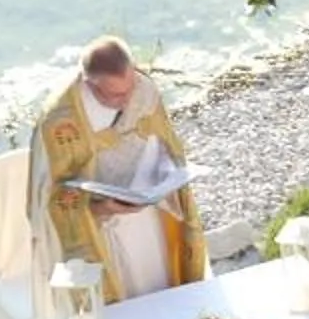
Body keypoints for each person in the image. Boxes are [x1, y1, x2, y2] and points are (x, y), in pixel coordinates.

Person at [27, 35, 205, 304]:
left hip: (149, 216)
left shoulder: (143, 90)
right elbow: (49, 198)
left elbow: (165, 146)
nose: (128, 100)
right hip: (99, 230)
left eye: (130, 87)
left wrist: (166, 177)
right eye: (117, 95)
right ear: (90, 85)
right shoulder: (59, 122)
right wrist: (100, 208)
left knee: (159, 289)